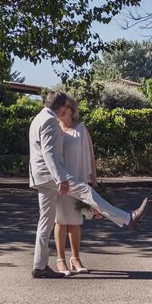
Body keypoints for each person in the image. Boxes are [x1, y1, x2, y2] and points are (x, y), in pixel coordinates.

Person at [29, 91, 148, 278]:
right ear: (60, 108)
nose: (64, 114)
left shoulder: (37, 118)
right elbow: (49, 153)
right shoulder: (50, 121)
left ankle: (39, 265)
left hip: (39, 177)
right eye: (64, 110)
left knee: (45, 221)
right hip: (52, 174)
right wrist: (61, 179)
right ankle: (127, 219)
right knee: (86, 192)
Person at [54, 97, 99, 275]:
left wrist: (93, 182)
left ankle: (76, 259)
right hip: (60, 181)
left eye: (65, 107)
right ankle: (60, 260)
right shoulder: (54, 128)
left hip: (79, 179)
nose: (62, 110)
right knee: (60, 220)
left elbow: (90, 157)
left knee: (75, 221)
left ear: (71, 109)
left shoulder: (81, 129)